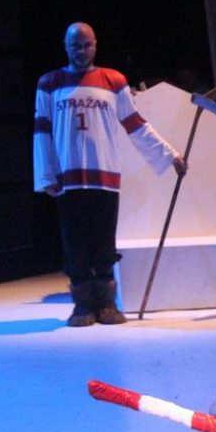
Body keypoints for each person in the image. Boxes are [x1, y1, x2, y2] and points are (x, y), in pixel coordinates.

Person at [33, 22, 187, 327]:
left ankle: (105, 304)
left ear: (95, 45)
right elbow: (42, 131)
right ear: (66, 47)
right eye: (75, 46)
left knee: (104, 242)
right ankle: (82, 306)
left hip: (104, 175)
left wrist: (170, 154)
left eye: (86, 45)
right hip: (68, 179)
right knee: (75, 242)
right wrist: (46, 175)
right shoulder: (50, 83)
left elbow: (135, 124)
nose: (81, 51)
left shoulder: (113, 80)